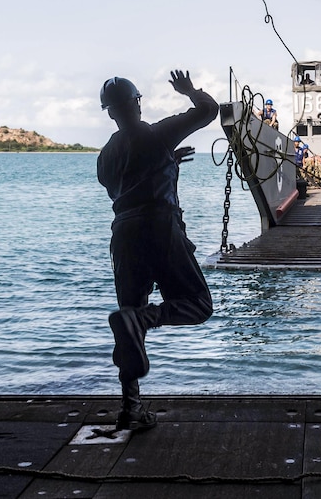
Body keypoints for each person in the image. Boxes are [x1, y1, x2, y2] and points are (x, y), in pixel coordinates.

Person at [97, 71, 216, 431]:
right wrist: (189, 90)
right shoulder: (157, 133)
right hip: (160, 227)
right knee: (197, 304)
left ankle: (131, 408)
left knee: (127, 322)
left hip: (123, 234)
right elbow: (208, 111)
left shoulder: (104, 157)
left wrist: (167, 163)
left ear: (109, 113)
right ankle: (146, 318)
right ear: (136, 103)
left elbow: (126, 188)